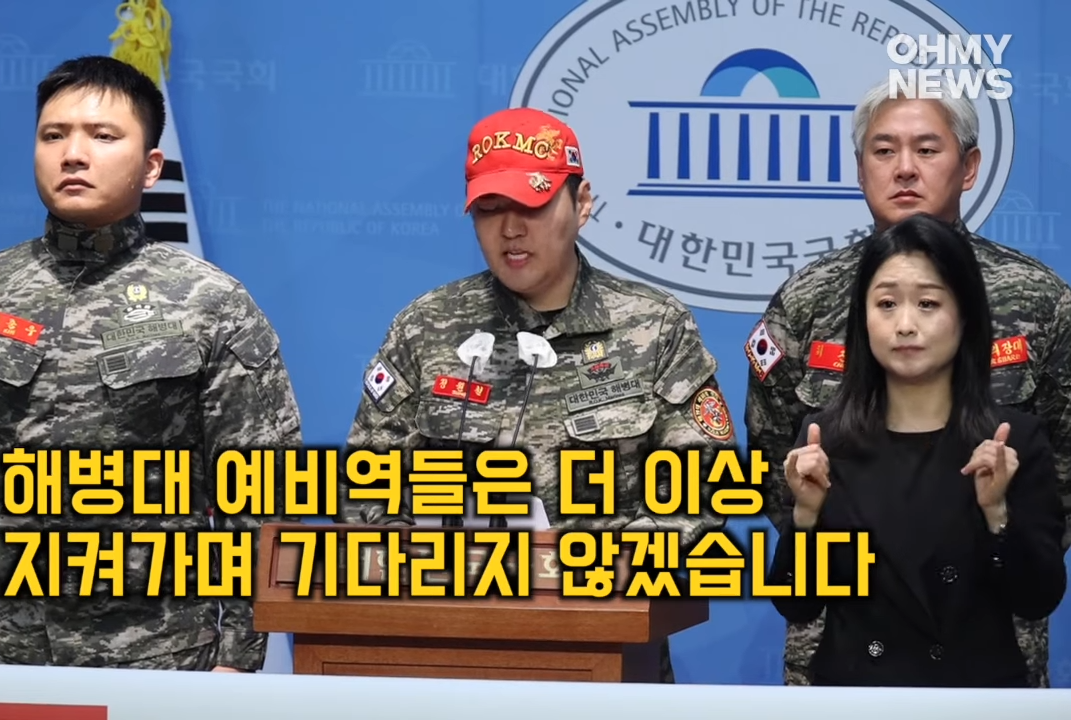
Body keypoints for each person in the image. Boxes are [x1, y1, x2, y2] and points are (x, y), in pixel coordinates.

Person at [0, 56, 302, 671]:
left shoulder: (211, 304)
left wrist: (237, 660)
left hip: (160, 656)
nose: (73, 155)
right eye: (54, 135)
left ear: (152, 166)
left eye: (103, 136)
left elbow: (262, 491)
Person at [342, 107, 735, 683]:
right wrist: (440, 568)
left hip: (604, 653)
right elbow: (365, 489)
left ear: (582, 204)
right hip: (445, 654)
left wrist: (580, 568)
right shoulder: (427, 329)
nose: (510, 230)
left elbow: (702, 489)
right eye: (489, 209)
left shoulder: (654, 327)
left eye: (531, 205)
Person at [744, 75, 1071, 687]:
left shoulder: (1039, 297)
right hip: (842, 622)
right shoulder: (806, 298)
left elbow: (1061, 466)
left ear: (968, 167)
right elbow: (772, 454)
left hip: (989, 620)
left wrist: (1001, 532)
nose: (904, 169)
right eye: (883, 150)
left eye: (926, 149)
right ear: (860, 167)